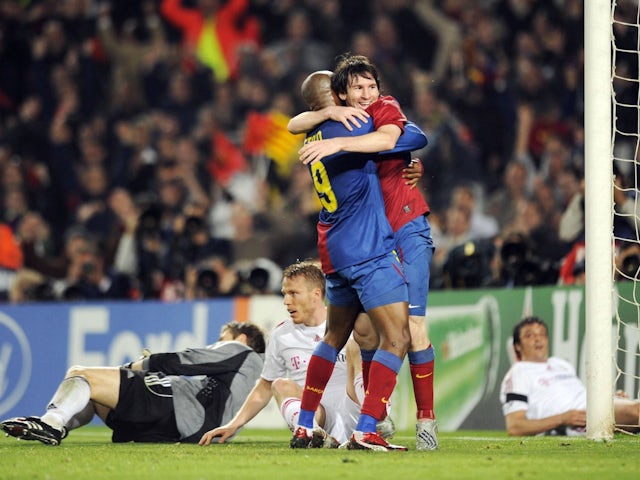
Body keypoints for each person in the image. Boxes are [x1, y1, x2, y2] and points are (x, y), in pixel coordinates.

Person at [288, 54, 438, 450]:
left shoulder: (312, 134)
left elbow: (293, 123)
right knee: (399, 336)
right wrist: (386, 139)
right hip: (367, 248)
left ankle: (304, 423)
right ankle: (368, 427)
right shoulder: (357, 123)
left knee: (335, 336)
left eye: (370, 88)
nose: (367, 96)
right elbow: (408, 136)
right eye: (356, 89)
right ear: (338, 96)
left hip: (332, 249)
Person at [1, 322, 265, 445]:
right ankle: (52, 424)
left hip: (174, 408)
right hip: (178, 431)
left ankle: (51, 424)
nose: (217, 343)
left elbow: (186, 360)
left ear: (240, 339)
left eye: (221, 338)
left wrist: (137, 365)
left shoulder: (241, 351)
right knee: (93, 394)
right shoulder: (259, 373)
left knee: (81, 373)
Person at [199, 261, 367, 448]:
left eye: (293, 293)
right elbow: (264, 387)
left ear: (316, 294)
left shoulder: (348, 324)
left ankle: (371, 422)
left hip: (353, 409)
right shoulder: (281, 334)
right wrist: (233, 425)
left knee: (356, 347)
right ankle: (314, 433)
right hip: (318, 415)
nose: (286, 301)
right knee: (279, 384)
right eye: (285, 294)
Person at [500, 316, 640, 436]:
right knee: (636, 410)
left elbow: (580, 396)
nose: (538, 339)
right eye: (529, 335)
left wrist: (612, 398)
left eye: (542, 334)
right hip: (581, 418)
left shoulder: (560, 364)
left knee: (634, 409)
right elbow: (514, 426)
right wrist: (562, 419)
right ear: (517, 345)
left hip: (593, 404)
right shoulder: (518, 372)